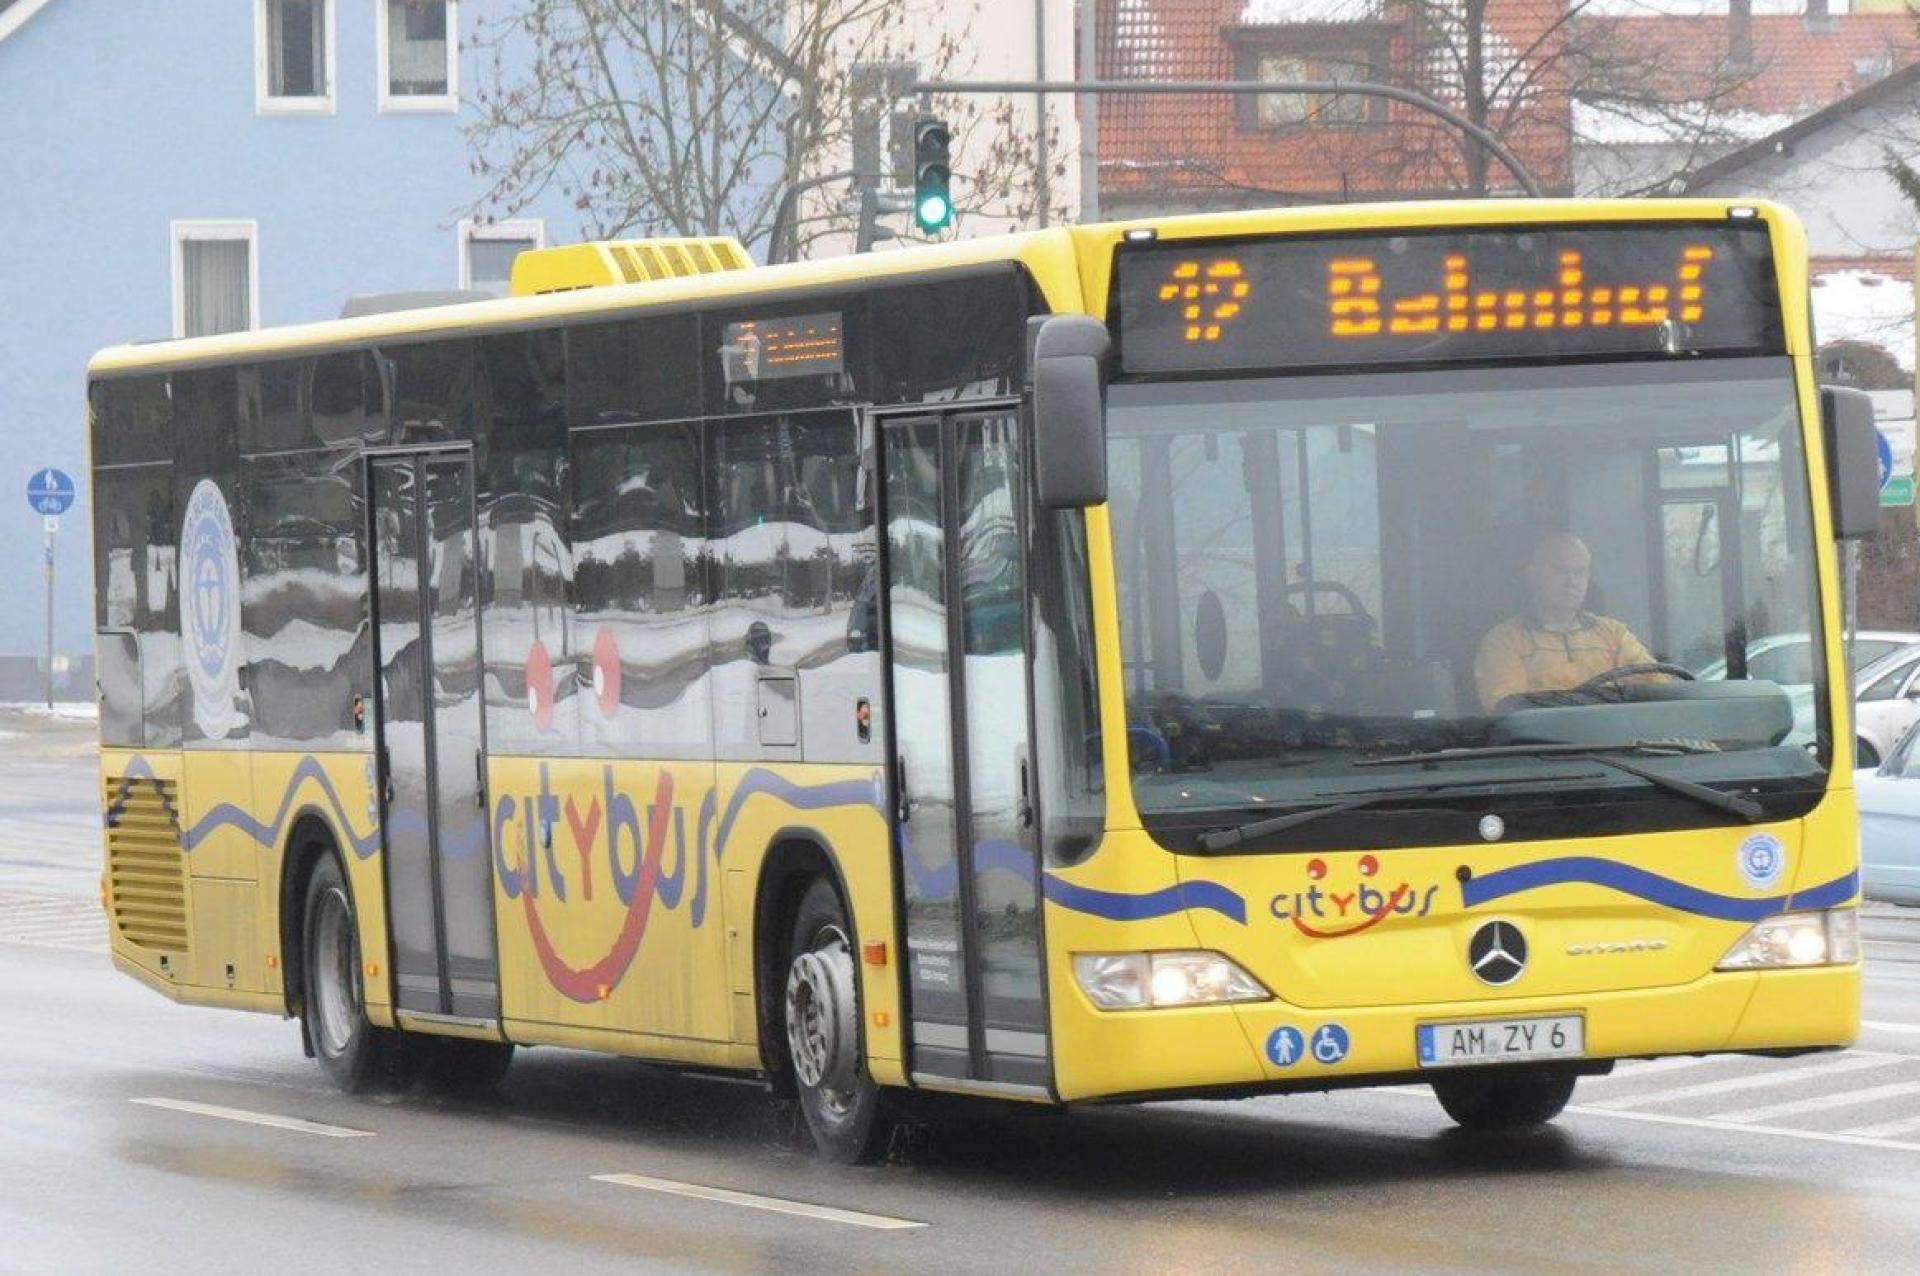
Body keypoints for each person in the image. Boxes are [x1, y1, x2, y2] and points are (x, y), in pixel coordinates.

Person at [1474, 531, 1660, 712]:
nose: (1571, 581)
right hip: (1546, 742)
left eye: (1579, 572)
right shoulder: (1504, 640)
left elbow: (1657, 689)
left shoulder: (1615, 634)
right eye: (1559, 570)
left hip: (1621, 741)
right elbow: (1507, 709)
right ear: (1532, 575)